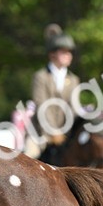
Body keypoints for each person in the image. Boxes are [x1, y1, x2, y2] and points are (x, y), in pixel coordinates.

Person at [31, 25, 79, 162]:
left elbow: (74, 108)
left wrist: (69, 133)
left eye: (69, 52)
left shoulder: (74, 79)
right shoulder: (41, 77)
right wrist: (53, 132)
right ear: (52, 54)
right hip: (41, 134)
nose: (68, 55)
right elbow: (42, 105)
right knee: (29, 158)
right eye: (63, 52)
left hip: (65, 136)